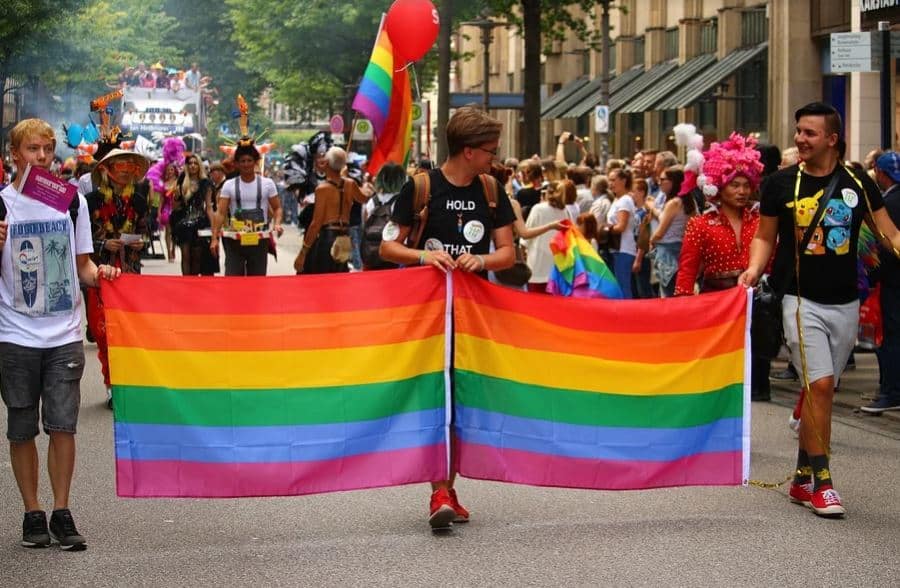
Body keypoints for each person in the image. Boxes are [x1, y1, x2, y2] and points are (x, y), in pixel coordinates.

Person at [739, 102, 900, 518]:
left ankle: (799, 475)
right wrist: (754, 269)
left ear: (832, 138)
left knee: (818, 392)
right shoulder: (779, 184)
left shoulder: (858, 182)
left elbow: (888, 232)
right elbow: (764, 237)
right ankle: (823, 483)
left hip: (846, 302)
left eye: (809, 133)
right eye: (798, 131)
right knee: (822, 386)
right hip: (798, 300)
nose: (800, 139)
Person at [379, 106, 515, 531]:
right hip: (426, 314)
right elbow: (388, 247)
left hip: (475, 315)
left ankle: (447, 489)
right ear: (469, 151)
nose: (495, 158)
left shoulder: (492, 189)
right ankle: (440, 489)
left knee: (459, 401)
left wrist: (482, 258)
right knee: (436, 397)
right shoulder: (420, 187)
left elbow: (508, 254)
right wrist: (424, 255)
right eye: (490, 151)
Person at [0, 119, 122, 551]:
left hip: (64, 334)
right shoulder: (3, 206)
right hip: (15, 334)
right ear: (14, 153)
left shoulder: (70, 203)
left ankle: (62, 511)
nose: (42, 157)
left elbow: (82, 264)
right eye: (32, 149)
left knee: (62, 426)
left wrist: (100, 274)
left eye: (47, 150)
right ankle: (32, 512)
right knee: (21, 428)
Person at [85, 149, 150, 408]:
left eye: (130, 166)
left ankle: (129, 384)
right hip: (100, 273)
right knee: (103, 331)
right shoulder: (90, 201)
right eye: (120, 165)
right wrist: (103, 244)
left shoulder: (139, 201)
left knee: (130, 330)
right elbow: (80, 241)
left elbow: (145, 233)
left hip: (131, 274)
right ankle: (112, 384)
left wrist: (138, 244)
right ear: (106, 168)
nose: (125, 170)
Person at [861, 151, 900, 414]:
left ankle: (891, 391)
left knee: (892, 336)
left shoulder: (886, 205)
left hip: (893, 282)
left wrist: (869, 277)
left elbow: (879, 245)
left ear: (882, 175)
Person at [293, 147, 371, 274]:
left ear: (328, 164)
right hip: (345, 237)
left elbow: (315, 224)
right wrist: (364, 185)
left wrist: (303, 253)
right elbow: (364, 198)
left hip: (328, 239)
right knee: (340, 279)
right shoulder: (350, 184)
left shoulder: (322, 189)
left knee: (324, 281)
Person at [210, 141, 283, 276]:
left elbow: (277, 208)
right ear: (236, 164)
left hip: (259, 240)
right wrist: (214, 238)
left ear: (255, 162)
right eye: (242, 161)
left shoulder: (268, 184)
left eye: (249, 160)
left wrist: (277, 224)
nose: (246, 164)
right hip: (234, 241)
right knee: (233, 280)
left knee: (257, 280)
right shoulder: (229, 185)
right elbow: (220, 213)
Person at [649, 166, 695, 297]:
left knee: (667, 292)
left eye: (662, 179)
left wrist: (651, 240)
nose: (659, 182)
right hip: (682, 248)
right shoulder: (688, 202)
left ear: (673, 182)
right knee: (676, 291)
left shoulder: (673, 203)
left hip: (668, 251)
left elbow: (660, 232)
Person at [170, 153, 215, 276]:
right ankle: (186, 283)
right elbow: (175, 208)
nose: (193, 166)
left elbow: (209, 207)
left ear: (199, 165)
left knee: (196, 257)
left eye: (195, 163)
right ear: (186, 166)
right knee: (185, 256)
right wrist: (176, 198)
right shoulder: (181, 181)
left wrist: (213, 229)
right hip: (183, 224)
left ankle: (193, 285)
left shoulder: (206, 183)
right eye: (190, 163)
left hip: (200, 224)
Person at [524, 180, 569, 293]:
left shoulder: (538, 209)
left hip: (537, 264)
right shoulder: (565, 211)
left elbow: (526, 234)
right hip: (557, 265)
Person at [604, 167, 637, 298]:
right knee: (618, 286)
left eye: (613, 180)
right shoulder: (617, 199)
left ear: (623, 181)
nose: (610, 183)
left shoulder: (625, 200)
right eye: (609, 180)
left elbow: (621, 226)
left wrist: (606, 229)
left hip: (623, 249)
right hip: (616, 248)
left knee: (623, 287)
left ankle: (627, 315)